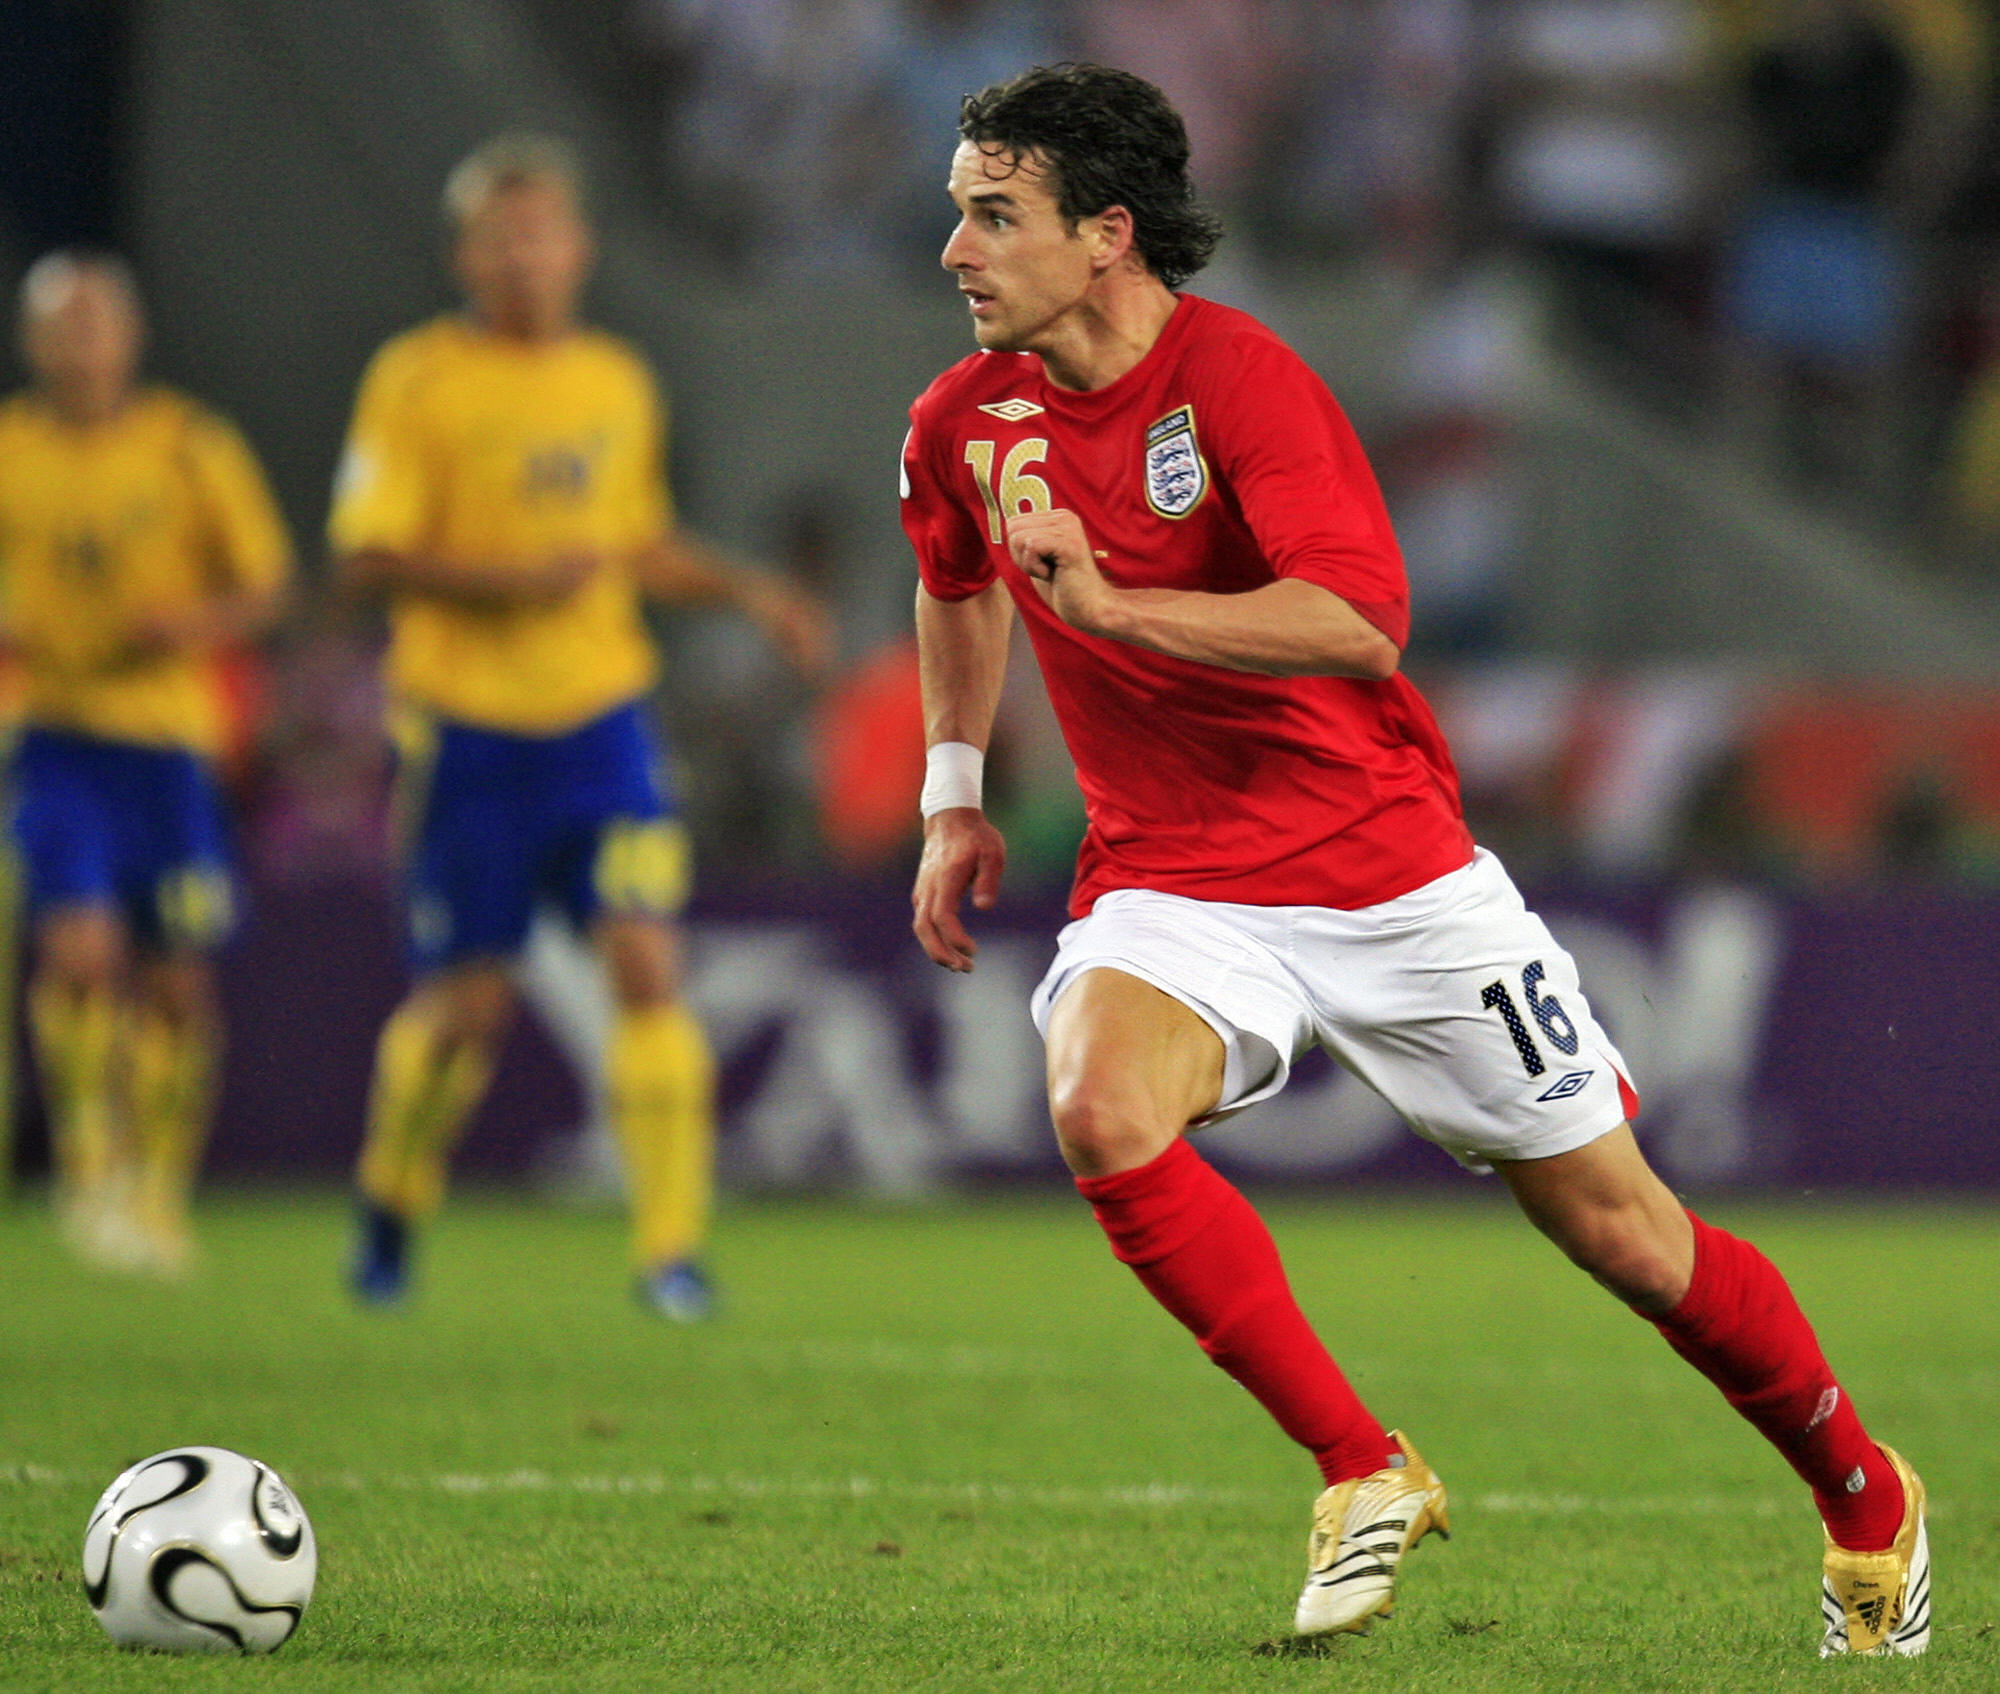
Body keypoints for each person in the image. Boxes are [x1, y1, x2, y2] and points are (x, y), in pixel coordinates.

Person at [901, 64, 1927, 1656]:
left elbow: (1359, 616)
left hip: (1388, 872)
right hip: (1174, 872)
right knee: (1100, 1104)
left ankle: (1864, 1490)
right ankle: (1362, 1464)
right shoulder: (964, 418)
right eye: (959, 210)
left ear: (1107, 233)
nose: (954, 248)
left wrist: (1117, 612)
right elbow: (955, 578)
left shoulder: (1239, 383)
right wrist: (954, 789)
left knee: (1629, 1238)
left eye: (991, 214)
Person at [331, 134, 827, 1319]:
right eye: (499, 236)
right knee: (468, 1007)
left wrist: (753, 593)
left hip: (600, 723)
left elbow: (631, 545)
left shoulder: (615, 380)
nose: (523, 255)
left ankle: (670, 1249)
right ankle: (392, 1197)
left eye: (541, 231)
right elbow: (365, 552)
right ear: (464, 254)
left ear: (579, 249)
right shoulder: (415, 379)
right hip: (466, 731)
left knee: (646, 961)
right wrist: (513, 579)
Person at [0, 251, 292, 1273]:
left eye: (96, 322)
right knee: (77, 950)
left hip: (170, 749)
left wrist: (193, 623)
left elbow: (266, 583)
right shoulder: (9, 448)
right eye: (61, 324)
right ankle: (88, 1165)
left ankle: (157, 1188)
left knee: (175, 981)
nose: (80, 341)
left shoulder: (188, 446)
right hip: (55, 739)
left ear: (130, 338)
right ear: (33, 341)